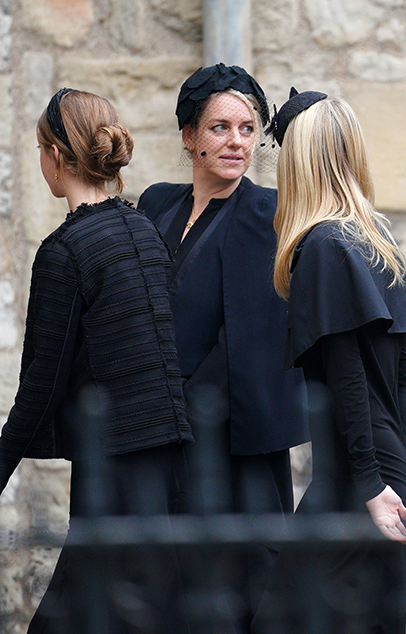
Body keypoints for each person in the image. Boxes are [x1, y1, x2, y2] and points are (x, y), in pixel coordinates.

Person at [0, 88, 192, 633]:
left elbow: (42, 383)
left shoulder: (64, 252)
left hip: (116, 467)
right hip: (172, 463)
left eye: (41, 149)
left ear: (56, 155)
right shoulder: (145, 232)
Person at [136, 64, 308, 633]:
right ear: (189, 136)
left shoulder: (267, 212)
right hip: (159, 444)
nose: (238, 142)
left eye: (248, 128)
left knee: (237, 597)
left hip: (232, 445)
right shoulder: (157, 206)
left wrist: (178, 407)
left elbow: (250, 337)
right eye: (220, 128)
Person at [252, 91, 406, 634]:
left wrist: (371, 486)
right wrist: (399, 462)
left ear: (298, 160)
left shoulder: (324, 245)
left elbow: (348, 375)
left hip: (356, 472)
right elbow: (401, 369)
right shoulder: (374, 236)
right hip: (379, 458)